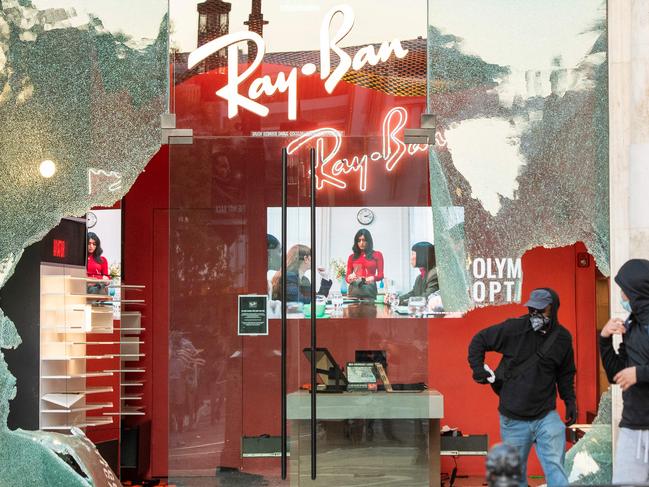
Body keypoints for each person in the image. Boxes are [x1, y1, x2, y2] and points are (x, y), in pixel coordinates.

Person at [467, 288, 577, 487]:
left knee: (556, 470)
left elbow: (565, 373)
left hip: (546, 415)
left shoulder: (562, 339)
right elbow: (479, 340)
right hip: (513, 417)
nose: (534, 314)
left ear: (553, 309)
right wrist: (478, 369)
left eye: (540, 310)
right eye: (531, 309)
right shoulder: (514, 329)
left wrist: (570, 400)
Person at [599, 259, 649, 484]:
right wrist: (605, 339)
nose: (622, 296)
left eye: (624, 291)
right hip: (632, 424)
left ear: (637, 291)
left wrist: (639, 374)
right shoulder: (631, 325)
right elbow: (615, 374)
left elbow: (634, 373)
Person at [346, 229, 384, 299]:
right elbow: (347, 278)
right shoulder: (351, 257)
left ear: (368, 241)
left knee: (370, 309)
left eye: (364, 240)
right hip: (354, 292)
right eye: (359, 240)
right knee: (352, 309)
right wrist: (349, 278)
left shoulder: (377, 255)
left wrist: (373, 277)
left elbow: (381, 275)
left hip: (370, 291)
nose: (361, 243)